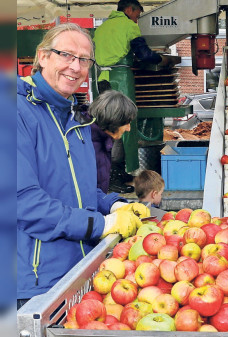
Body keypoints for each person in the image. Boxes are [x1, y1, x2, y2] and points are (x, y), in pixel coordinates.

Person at [17, 23, 150, 308]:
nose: (75, 67)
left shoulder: (76, 121)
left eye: (84, 60)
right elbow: (23, 203)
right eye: (66, 55)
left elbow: (80, 192)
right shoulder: (15, 113)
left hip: (78, 275)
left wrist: (113, 205)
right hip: (33, 284)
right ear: (43, 57)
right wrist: (102, 224)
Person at [93, 0, 165, 193]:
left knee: (108, 125)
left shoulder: (101, 28)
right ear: (129, 9)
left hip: (102, 79)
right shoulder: (127, 25)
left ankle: (117, 173)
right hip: (120, 79)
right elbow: (143, 54)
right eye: (137, 15)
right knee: (121, 127)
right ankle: (112, 178)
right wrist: (162, 59)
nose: (137, 20)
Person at [89, 90, 137, 193]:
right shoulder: (87, 145)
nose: (128, 128)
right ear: (114, 121)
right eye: (126, 123)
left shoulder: (102, 140)